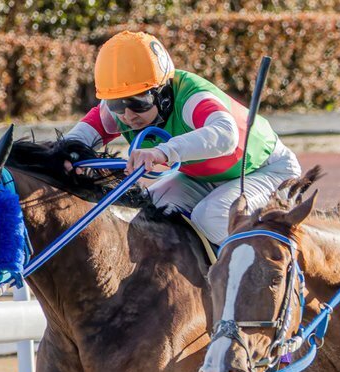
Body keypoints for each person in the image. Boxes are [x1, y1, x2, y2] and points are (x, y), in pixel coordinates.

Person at [58, 31, 301, 247]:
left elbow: (226, 135)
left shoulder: (192, 96)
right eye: (117, 104)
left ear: (163, 92)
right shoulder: (118, 112)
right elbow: (72, 144)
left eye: (139, 103)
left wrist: (161, 152)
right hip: (206, 178)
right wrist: (64, 158)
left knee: (212, 217)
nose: (128, 115)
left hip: (268, 171)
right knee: (150, 212)